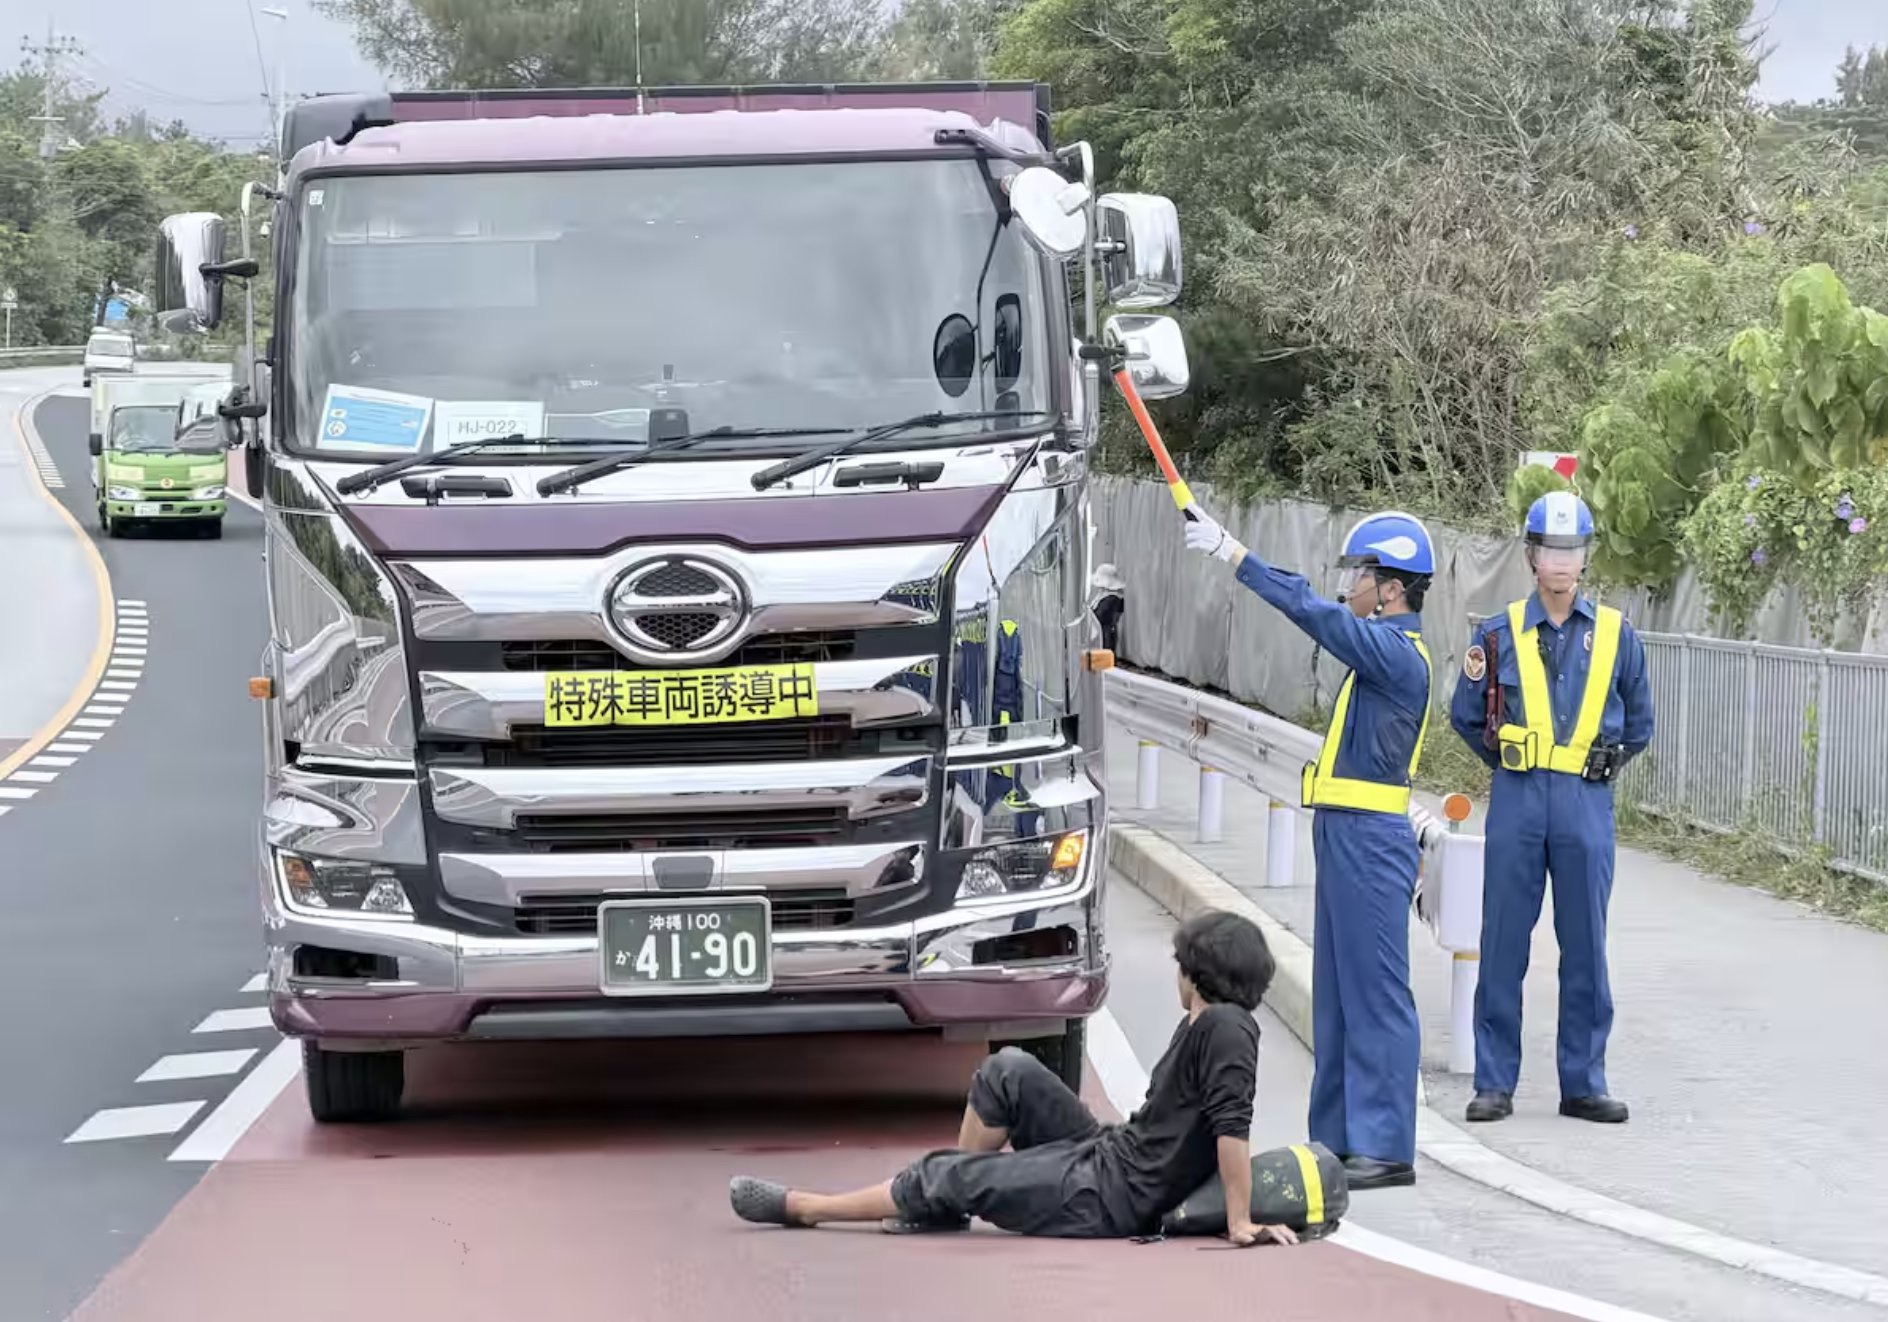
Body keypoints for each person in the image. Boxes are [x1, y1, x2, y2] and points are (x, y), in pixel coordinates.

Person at [728, 910, 1299, 1246]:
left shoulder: (1226, 1027)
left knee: (950, 1173)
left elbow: (1232, 1127)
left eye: (1180, 965)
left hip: (1109, 1195)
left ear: (1197, 972)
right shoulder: (1205, 1022)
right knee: (1008, 1070)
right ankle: (943, 1205)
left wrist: (1240, 1220)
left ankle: (808, 1207)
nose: (1176, 974)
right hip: (1112, 1155)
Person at [1181, 502, 1434, 1190]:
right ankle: (1339, 1138)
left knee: (1376, 994)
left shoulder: (1396, 654)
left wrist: (1236, 555)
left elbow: (1312, 612)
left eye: (1360, 575)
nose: (1348, 586)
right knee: (1339, 996)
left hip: (1371, 839)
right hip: (1344, 831)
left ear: (1392, 588)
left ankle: (1386, 1145)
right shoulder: (1379, 651)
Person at [1448, 491, 1654, 1125]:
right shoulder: (1497, 633)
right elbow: (1465, 714)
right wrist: (1512, 763)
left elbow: (1640, 725)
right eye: (1550, 549)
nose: (1561, 561)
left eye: (1572, 549)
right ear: (1530, 555)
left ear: (1586, 556)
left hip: (1586, 802)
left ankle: (1583, 1083)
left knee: (1586, 944)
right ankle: (1493, 1083)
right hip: (1518, 797)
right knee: (1502, 941)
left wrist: (1598, 768)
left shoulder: (1617, 636)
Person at [1092, 563, 1126, 655]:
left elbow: (1099, 616)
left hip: (1104, 634)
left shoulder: (1111, 599)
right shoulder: (1113, 597)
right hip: (1104, 632)